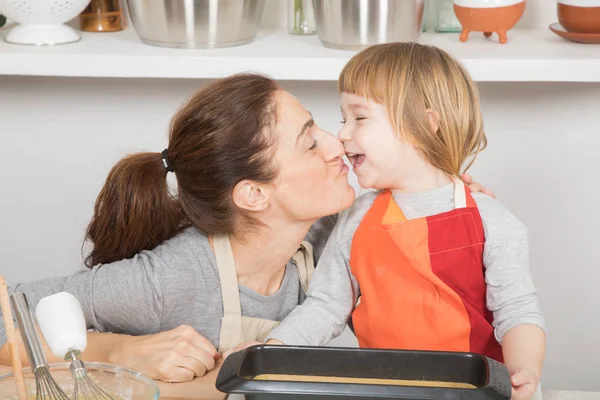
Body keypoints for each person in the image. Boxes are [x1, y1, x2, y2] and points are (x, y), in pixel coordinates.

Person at [0, 73, 491, 383]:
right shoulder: (169, 279)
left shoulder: (331, 234)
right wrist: (122, 350)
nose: (336, 143)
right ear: (254, 195)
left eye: (319, 125)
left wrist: (443, 202)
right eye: (308, 142)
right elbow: (7, 314)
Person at [260, 43, 546, 400]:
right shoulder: (356, 218)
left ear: (424, 125)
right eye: (343, 118)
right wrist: (272, 351)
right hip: (387, 391)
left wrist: (525, 373)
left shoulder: (492, 221)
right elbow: (326, 306)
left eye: (359, 118)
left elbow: (518, 312)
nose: (343, 134)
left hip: (474, 393)